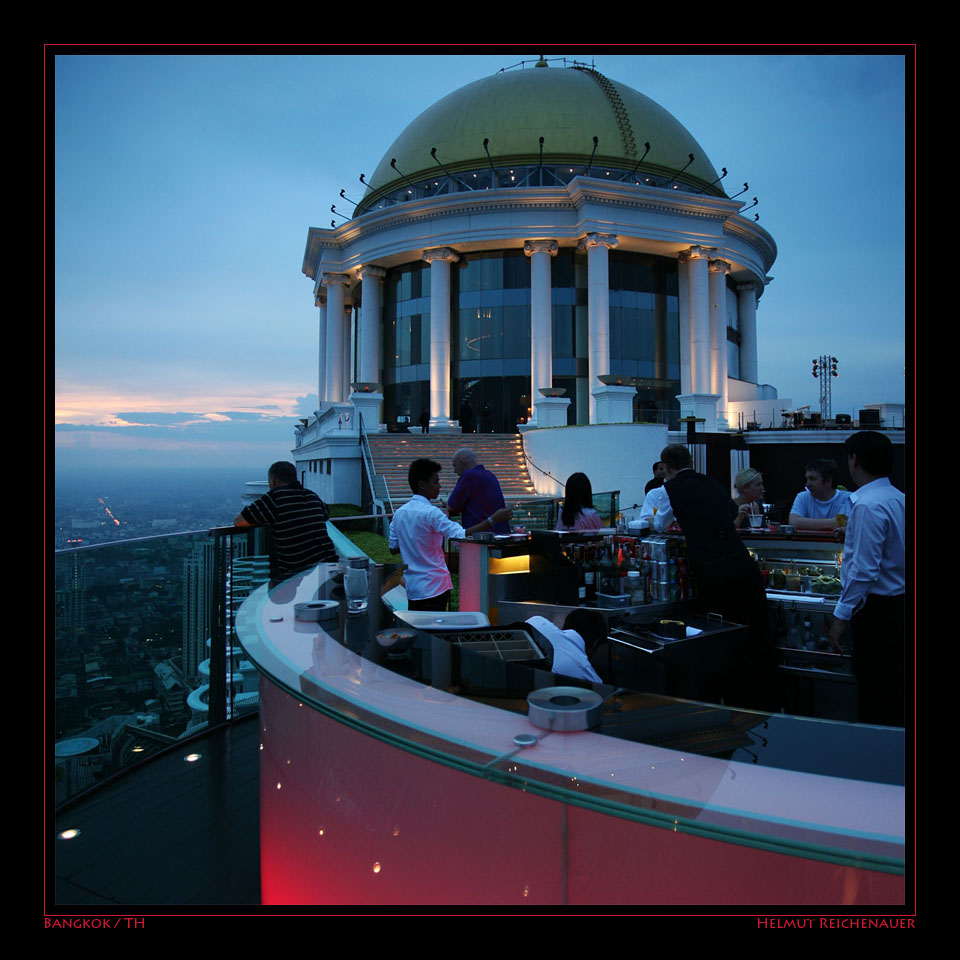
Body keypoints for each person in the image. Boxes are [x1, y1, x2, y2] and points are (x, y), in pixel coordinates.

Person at [660, 443, 773, 708]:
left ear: (666, 467)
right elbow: (730, 515)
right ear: (690, 460)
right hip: (741, 564)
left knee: (722, 635)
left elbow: (656, 523)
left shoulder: (669, 490)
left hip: (713, 571)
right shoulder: (711, 483)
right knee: (754, 634)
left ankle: (726, 701)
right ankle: (760, 700)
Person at [827, 432, 905, 726]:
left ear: (855, 459)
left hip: (877, 613)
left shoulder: (867, 505)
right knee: (895, 691)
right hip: (898, 608)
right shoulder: (899, 499)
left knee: (876, 694)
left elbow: (862, 571)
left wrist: (840, 616)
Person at [390, 458, 511, 611]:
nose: (439, 486)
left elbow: (393, 548)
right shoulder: (432, 513)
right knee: (435, 629)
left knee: (419, 628)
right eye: (435, 482)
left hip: (413, 587)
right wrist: (493, 519)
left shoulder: (399, 514)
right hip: (435, 586)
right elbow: (462, 535)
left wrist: (414, 544)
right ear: (422, 485)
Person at [234, 461, 338, 581]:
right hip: (329, 567)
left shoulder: (274, 498)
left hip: (298, 573)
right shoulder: (311, 496)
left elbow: (239, 521)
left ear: (273, 480)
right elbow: (325, 514)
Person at [789, 458, 853, 531]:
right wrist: (831, 523)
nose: (807, 484)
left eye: (812, 479)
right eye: (806, 479)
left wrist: (806, 523)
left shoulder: (848, 498)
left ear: (828, 481)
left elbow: (843, 524)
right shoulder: (802, 497)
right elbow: (793, 521)